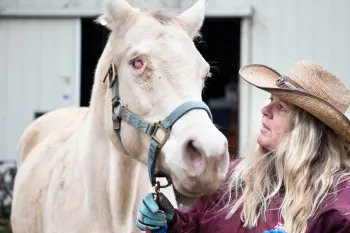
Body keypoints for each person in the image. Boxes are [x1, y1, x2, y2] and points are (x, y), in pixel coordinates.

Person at [136, 60, 350, 233]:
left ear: (308, 130)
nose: (266, 109)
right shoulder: (232, 180)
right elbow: (198, 225)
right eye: (270, 99)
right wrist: (172, 222)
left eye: (282, 107)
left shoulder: (339, 206)